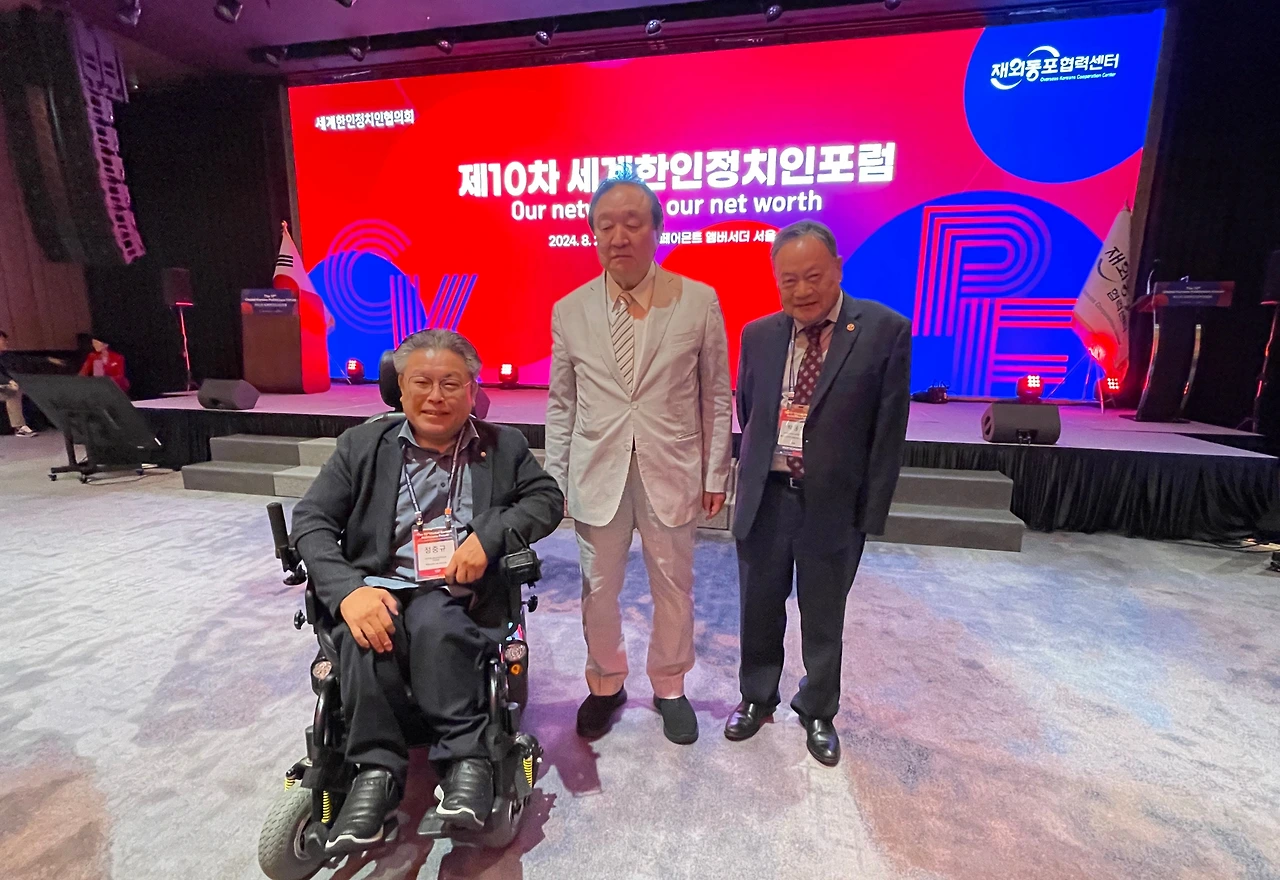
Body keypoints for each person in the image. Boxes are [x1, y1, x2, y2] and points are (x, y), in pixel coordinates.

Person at [290, 329, 563, 853]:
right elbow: (311, 521)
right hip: (377, 585)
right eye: (422, 382)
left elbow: (546, 500)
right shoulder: (361, 446)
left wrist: (488, 535)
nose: (436, 396)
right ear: (400, 388)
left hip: (457, 592)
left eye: (450, 383)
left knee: (435, 622)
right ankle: (374, 774)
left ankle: (467, 758)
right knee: (364, 633)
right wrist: (347, 591)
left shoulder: (503, 446)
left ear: (472, 389)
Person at [545, 171, 733, 745]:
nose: (618, 236)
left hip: (672, 469)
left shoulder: (697, 300)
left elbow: (716, 394)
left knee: (674, 585)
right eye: (605, 226)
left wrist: (716, 471)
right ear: (593, 235)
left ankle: (670, 686)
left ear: (656, 229)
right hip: (596, 471)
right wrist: (554, 479)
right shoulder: (569, 310)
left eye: (631, 223)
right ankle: (606, 683)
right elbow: (562, 403)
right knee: (598, 588)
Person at [725, 220, 911, 767]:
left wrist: (869, 515)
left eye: (813, 276)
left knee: (824, 615)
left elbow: (887, 434)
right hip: (767, 496)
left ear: (838, 269)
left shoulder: (884, 330)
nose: (801, 291)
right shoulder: (758, 334)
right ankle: (757, 697)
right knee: (758, 606)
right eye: (789, 280)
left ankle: (818, 709)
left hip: (832, 504)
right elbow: (749, 412)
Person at [0, 329, 64, 437]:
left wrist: (48, 359)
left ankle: (52, 421)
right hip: (4, 387)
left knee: (33, 390)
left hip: (6, 386)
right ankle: (20, 427)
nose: (6, 342)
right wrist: (9, 381)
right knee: (13, 393)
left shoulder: (7, 356)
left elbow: (26, 359)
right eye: (2, 340)